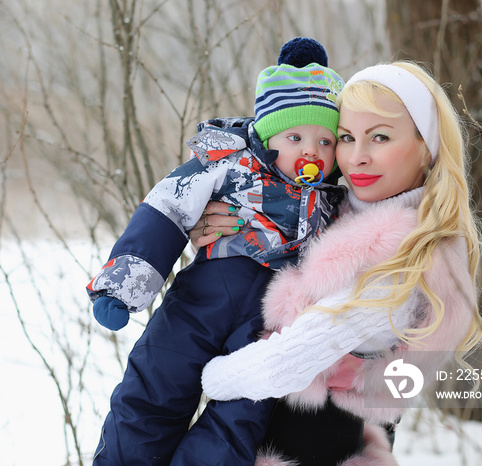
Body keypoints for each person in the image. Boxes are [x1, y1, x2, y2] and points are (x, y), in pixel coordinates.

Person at [198, 61, 482, 465]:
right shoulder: (336, 210)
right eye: (347, 137)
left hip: (310, 445)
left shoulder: (410, 252)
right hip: (258, 432)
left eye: (380, 137)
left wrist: (204, 375)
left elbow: (287, 363)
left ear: (427, 146)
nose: (357, 157)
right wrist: (223, 221)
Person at [87, 38, 348, 465]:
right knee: (154, 387)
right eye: (296, 136)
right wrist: (122, 287)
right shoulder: (226, 163)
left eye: (325, 142)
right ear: (266, 134)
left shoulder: (335, 200)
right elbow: (167, 209)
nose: (310, 151)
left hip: (266, 327)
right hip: (201, 299)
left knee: (238, 419)